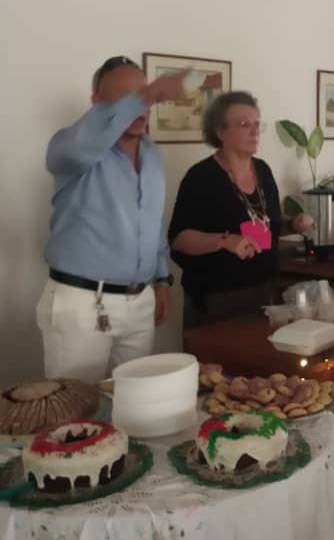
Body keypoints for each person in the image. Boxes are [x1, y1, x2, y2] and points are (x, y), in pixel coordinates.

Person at [37, 55, 193, 382]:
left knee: (134, 406)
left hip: (139, 302)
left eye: (143, 97)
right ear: (96, 103)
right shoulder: (69, 147)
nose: (139, 108)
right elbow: (77, 150)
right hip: (82, 304)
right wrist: (149, 93)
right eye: (126, 99)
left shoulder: (151, 154)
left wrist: (162, 280)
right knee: (77, 413)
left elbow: (152, 223)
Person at [169, 91, 311, 328]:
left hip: (263, 290)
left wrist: (292, 223)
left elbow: (264, 221)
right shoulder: (201, 177)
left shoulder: (262, 170)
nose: (254, 131)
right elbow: (178, 239)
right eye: (244, 124)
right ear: (220, 131)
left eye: (256, 124)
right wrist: (225, 240)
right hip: (217, 297)